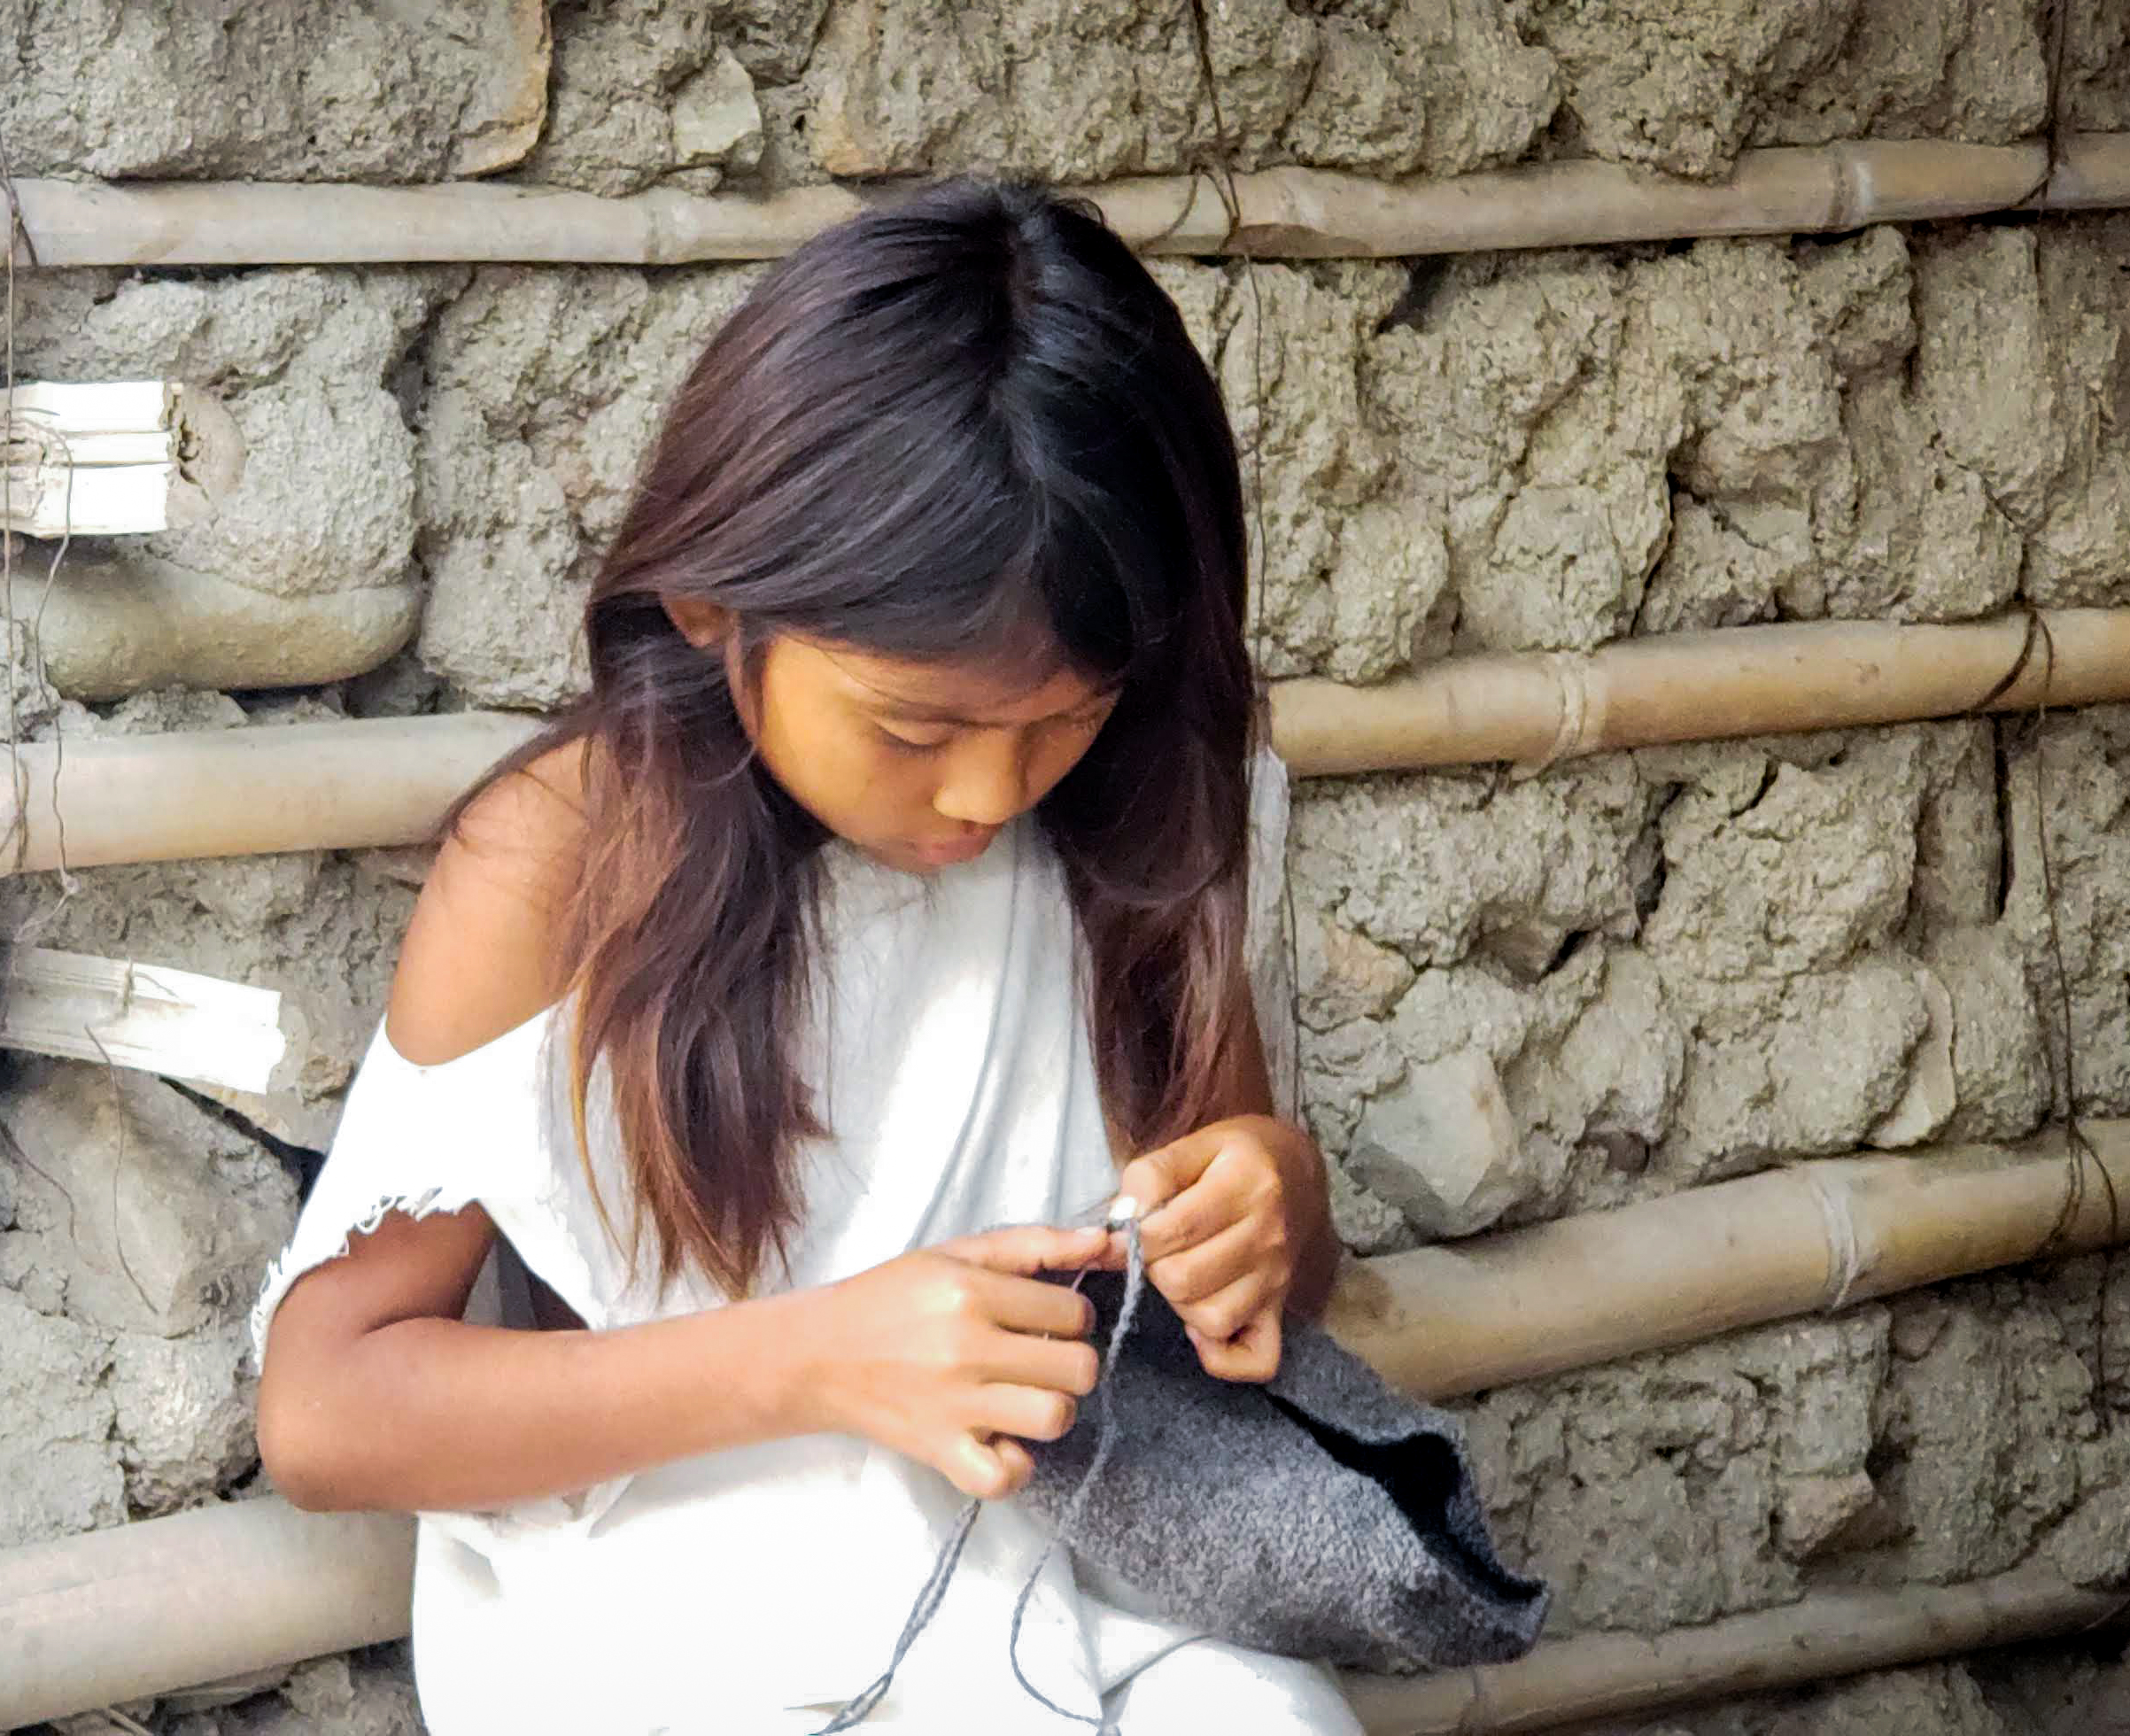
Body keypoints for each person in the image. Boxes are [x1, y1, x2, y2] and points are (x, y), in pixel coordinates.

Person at [250, 179, 1360, 1734]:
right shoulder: (573, 855)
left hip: (1077, 1604)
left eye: (1064, 718)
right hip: (683, 1624)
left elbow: (1255, 1300)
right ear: (715, 599)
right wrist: (823, 1362)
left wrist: (1279, 1206)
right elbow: (327, 1408)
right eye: (917, 726)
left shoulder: (1128, 834)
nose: (989, 794)